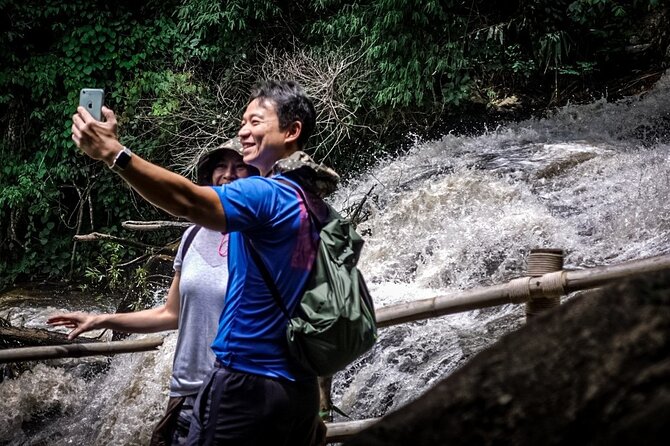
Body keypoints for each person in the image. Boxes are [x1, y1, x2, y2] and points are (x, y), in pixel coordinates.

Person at [70, 80, 338, 445]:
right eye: (243, 121)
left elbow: (188, 201)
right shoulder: (310, 201)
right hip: (296, 388)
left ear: (292, 132)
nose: (244, 131)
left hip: (246, 385)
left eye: (256, 122)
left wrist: (114, 154)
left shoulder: (266, 195)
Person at [47, 139, 258, 445]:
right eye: (220, 166)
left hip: (236, 395)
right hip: (186, 392)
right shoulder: (193, 235)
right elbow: (170, 313)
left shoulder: (261, 238)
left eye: (240, 166)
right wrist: (101, 320)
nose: (227, 174)